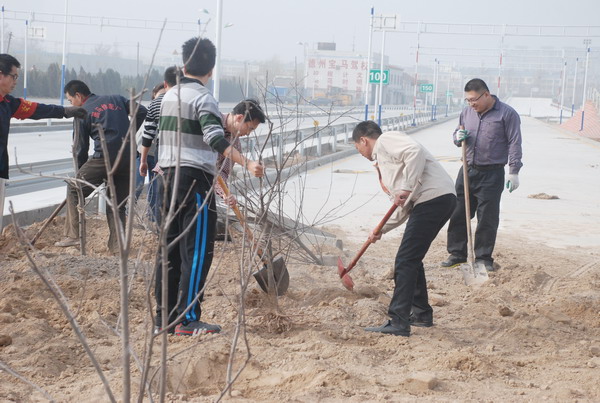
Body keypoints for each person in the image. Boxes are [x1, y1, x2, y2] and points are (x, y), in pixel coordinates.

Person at [155, 37, 264, 337]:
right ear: (211, 70)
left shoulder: (169, 96)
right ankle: (188, 319)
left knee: (170, 250)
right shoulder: (204, 99)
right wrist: (247, 162)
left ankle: (163, 318)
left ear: (184, 64)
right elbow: (214, 138)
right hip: (194, 182)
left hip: (166, 179)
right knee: (198, 251)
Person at [352, 121, 456, 337]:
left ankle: (399, 321)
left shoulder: (385, 140)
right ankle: (421, 314)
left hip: (433, 199)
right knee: (412, 258)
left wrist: (406, 187)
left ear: (363, 140)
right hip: (436, 200)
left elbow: (414, 151)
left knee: (405, 260)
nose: (359, 153)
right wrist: (381, 229)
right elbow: (404, 206)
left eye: (357, 148)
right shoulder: (385, 160)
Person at [54, 80, 147, 253]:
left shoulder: (81, 112)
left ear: (78, 96)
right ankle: (118, 247)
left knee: (74, 188)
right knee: (117, 204)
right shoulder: (116, 99)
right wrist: (129, 132)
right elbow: (142, 111)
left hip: (104, 157)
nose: (71, 104)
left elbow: (80, 149)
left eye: (70, 100)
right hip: (128, 157)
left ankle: (73, 235)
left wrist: (81, 175)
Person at [441, 78, 523, 272]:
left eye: (474, 99)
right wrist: (457, 138)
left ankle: (483, 258)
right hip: (467, 170)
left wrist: (514, 172)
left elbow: (514, 143)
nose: (471, 104)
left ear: (486, 94)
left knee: (487, 217)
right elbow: (457, 133)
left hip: (492, 173)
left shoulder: (507, 114)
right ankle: (457, 254)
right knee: (458, 212)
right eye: (468, 100)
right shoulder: (466, 113)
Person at [0, 53, 86, 180]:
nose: (16, 82)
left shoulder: (8, 103)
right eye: (14, 77)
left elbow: (37, 110)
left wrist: (65, 111)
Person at [137, 66, 181, 222]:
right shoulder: (188, 100)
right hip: (184, 154)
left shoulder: (155, 104)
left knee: (159, 189)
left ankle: (158, 223)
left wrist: (143, 160)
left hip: (162, 153)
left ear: (166, 84)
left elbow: (147, 135)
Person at [214, 98, 266, 206]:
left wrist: (225, 193)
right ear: (239, 118)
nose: (248, 133)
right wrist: (248, 164)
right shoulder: (212, 121)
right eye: (249, 128)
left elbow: (222, 172)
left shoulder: (236, 145)